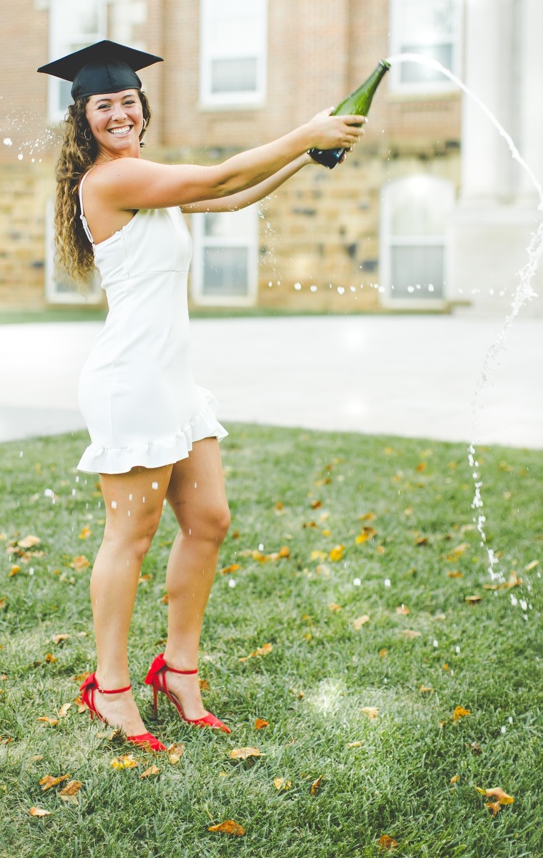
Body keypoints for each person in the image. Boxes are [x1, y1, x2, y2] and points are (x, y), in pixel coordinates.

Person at [40, 39, 364, 752]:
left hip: (172, 381)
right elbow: (219, 172)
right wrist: (306, 130)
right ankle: (110, 687)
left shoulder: (147, 178)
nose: (119, 114)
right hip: (130, 382)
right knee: (130, 536)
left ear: (143, 108)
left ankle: (177, 671)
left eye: (128, 101)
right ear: (83, 117)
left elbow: (231, 193)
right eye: (103, 105)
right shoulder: (109, 181)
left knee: (209, 520)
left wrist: (304, 158)